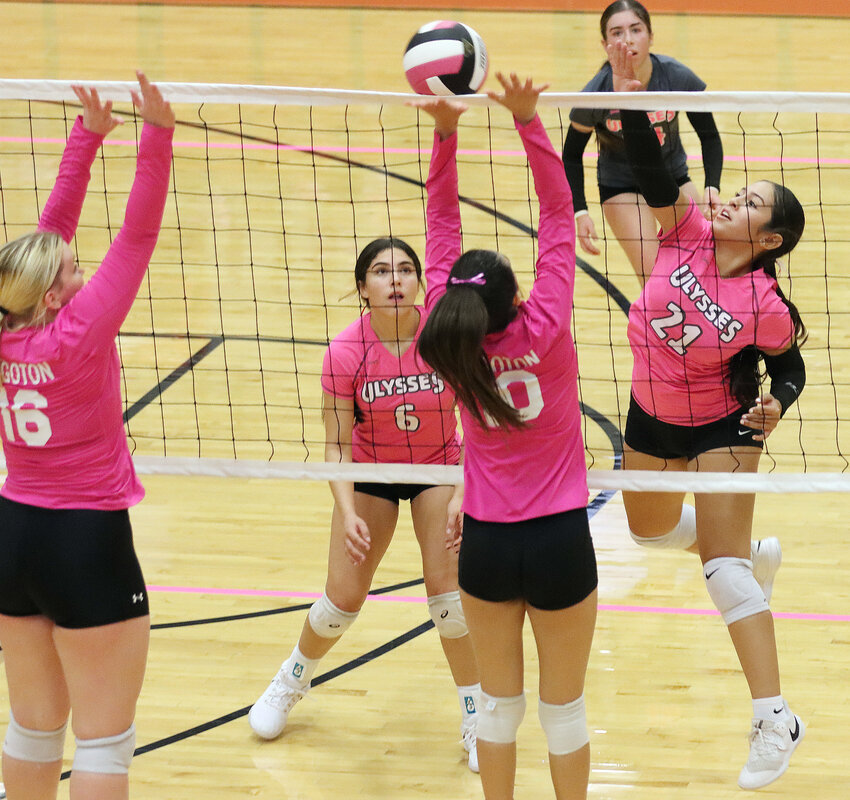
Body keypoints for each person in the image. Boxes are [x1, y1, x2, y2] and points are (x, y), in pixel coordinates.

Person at [608, 39, 806, 790]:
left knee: (721, 573)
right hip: (650, 415)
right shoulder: (684, 229)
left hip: (721, 426)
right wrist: (630, 101)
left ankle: (775, 718)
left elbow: (788, 365)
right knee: (648, 530)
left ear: (769, 240)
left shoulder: (765, 304)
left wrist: (774, 404)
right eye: (739, 193)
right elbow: (657, 171)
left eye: (750, 203)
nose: (733, 200)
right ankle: (747, 560)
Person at [415, 72, 598, 800]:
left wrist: (444, 133)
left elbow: (439, 230)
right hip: (557, 540)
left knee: (499, 707)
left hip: (486, 545)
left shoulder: (443, 342)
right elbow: (559, 216)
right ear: (515, 297)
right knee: (564, 710)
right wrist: (527, 121)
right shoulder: (546, 327)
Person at [0, 74, 174, 800]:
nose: (80, 266)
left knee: (33, 728)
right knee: (104, 742)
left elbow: (45, 241)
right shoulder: (80, 333)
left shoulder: (9, 332)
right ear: (55, 296)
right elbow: (137, 235)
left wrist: (88, 138)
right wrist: (156, 134)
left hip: (13, 534)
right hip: (86, 541)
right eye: (73, 269)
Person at [248, 237, 482, 771]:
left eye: (404, 270)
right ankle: (291, 680)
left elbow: (475, 420)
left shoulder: (444, 337)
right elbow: (334, 444)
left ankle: (477, 712)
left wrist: (465, 491)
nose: (394, 279)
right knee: (341, 600)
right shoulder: (345, 351)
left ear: (420, 282)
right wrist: (348, 509)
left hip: (437, 470)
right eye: (381, 271)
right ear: (363, 288)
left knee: (449, 601)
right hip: (371, 473)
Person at [563, 0, 724, 284]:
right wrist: (580, 212)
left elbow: (709, 136)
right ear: (605, 44)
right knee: (656, 279)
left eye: (635, 30)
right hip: (622, 187)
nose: (627, 40)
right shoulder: (596, 94)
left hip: (674, 179)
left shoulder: (676, 77)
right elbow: (572, 155)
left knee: (707, 267)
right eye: (616, 33)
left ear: (650, 35)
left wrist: (712, 185)